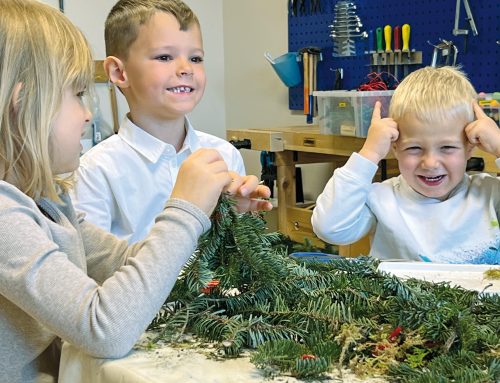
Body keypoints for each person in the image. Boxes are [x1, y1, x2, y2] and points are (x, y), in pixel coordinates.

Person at [0, 1, 270, 381]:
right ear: (23, 102)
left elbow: (131, 263)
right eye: (77, 94)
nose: (89, 113)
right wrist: (185, 209)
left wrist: (216, 215)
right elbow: (104, 328)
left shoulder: (49, 203)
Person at [72, 0, 258, 243]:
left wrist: (243, 215)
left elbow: (239, 256)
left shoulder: (224, 156)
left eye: (195, 58)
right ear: (119, 72)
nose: (185, 69)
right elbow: (94, 268)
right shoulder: (95, 172)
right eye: (164, 57)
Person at [312, 66, 500, 264]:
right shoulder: (382, 199)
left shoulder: (489, 194)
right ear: (395, 147)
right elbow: (329, 228)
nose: (430, 163)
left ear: (470, 148)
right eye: (414, 148)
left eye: (446, 147)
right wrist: (370, 153)